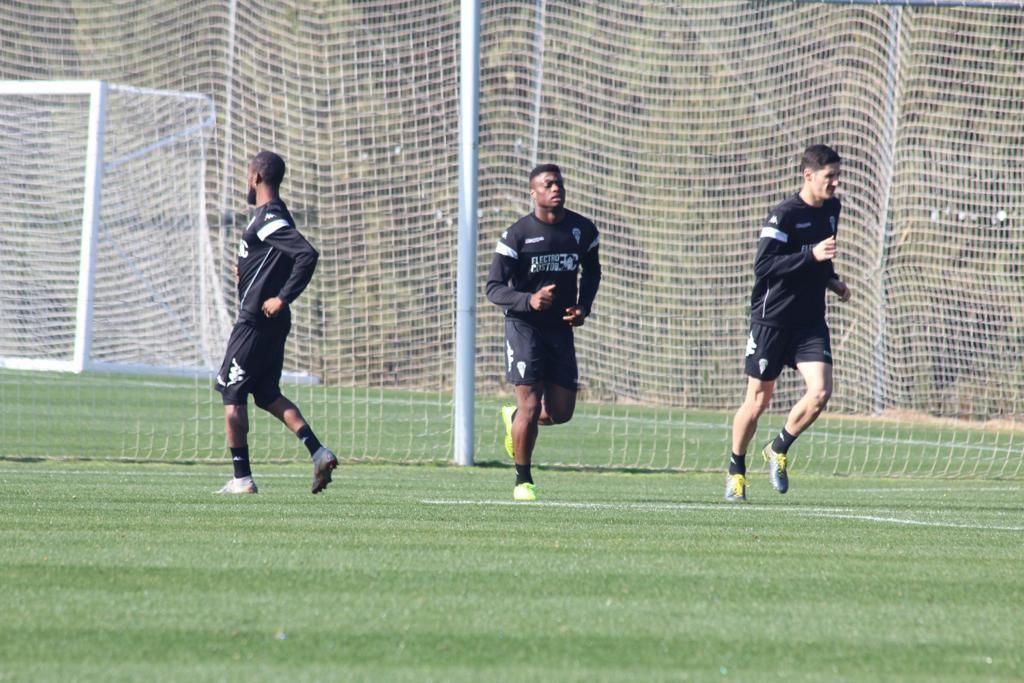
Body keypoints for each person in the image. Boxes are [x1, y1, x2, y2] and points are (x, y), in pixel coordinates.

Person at [726, 144, 851, 502]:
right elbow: (764, 267)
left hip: (809, 321)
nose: (836, 183)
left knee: (821, 393)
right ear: (808, 175)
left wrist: (832, 280)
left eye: (838, 175)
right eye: (830, 176)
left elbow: (821, 257)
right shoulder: (783, 216)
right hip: (773, 320)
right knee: (757, 401)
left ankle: (778, 448)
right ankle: (736, 470)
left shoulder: (832, 209)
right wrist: (809, 256)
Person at [214, 150, 337, 494]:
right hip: (271, 323)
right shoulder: (271, 217)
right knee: (267, 394)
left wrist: (281, 297)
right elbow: (275, 260)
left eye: (247, 175)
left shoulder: (268, 216)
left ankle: (242, 479)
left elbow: (305, 254)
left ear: (256, 178)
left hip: (255, 323)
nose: (246, 182)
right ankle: (318, 451)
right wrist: (246, 270)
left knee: (231, 393)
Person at [486, 164, 601, 502]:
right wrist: (528, 299)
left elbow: (592, 271)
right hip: (524, 327)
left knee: (561, 412)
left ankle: (513, 417)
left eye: (559, 183)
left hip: (560, 329)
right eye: (548, 184)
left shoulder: (582, 230)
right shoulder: (517, 236)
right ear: (532, 192)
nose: (556, 189)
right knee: (531, 406)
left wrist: (583, 307)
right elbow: (493, 288)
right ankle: (523, 481)